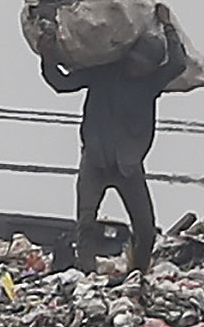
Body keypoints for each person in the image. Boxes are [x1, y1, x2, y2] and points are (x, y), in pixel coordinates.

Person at [41, 49, 167, 275]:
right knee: (86, 222)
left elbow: (177, 64)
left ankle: (137, 273)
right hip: (95, 161)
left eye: (144, 65)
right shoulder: (103, 73)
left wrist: (168, 27)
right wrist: (47, 54)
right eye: (135, 62)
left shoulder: (151, 84)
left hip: (128, 166)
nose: (136, 68)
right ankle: (87, 272)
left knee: (146, 229)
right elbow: (62, 82)